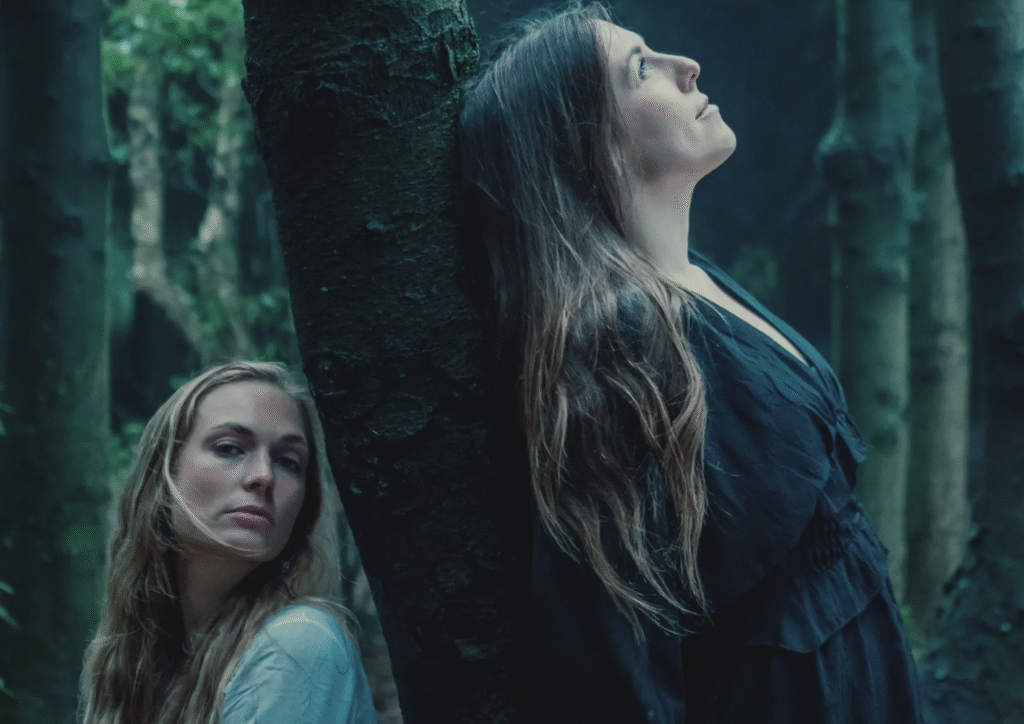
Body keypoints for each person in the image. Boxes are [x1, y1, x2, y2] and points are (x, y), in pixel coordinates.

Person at [459, 3, 923, 723]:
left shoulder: (695, 279)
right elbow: (615, 649)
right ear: (582, 141)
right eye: (641, 68)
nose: (688, 68)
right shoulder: (612, 344)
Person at [80, 361, 378, 724]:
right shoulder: (133, 660)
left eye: (288, 461)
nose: (263, 477)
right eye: (230, 448)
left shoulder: (297, 644)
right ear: (163, 474)